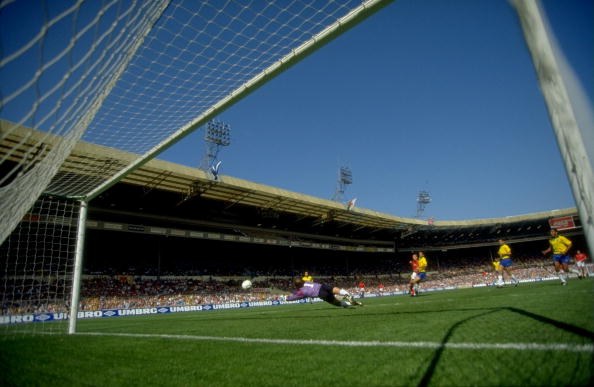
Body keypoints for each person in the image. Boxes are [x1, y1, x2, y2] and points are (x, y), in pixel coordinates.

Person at [286, 278, 362, 307]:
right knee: (337, 290)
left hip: (321, 294)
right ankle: (347, 295)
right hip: (322, 286)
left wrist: (288, 299)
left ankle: (351, 304)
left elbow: (294, 297)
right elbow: (300, 281)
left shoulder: (301, 291)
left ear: (297, 286)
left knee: (337, 303)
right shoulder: (307, 281)